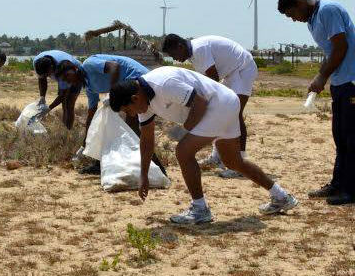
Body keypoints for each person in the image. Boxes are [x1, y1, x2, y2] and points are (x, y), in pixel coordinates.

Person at [109, 67, 297, 224]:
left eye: (128, 111)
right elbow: (147, 139)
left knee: (183, 151)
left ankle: (200, 210)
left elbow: (200, 102)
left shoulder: (163, 84)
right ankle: (281, 197)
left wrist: (187, 128)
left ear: (135, 98)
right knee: (233, 162)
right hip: (225, 104)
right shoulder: (144, 102)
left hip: (219, 104)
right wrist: (143, 175)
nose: (132, 115)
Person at [278, 0, 355, 205]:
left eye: (292, 14)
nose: (294, 19)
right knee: (340, 135)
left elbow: (342, 47)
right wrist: (323, 77)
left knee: (354, 136)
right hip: (340, 79)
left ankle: (351, 191)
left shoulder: (328, 10)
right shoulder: (312, 20)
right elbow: (330, 51)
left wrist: (322, 76)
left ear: (299, 2)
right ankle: (338, 184)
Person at [161, 33, 257, 179]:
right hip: (231, 74)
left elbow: (212, 79)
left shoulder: (199, 49)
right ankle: (217, 157)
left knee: (234, 115)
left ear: (180, 46)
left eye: (174, 54)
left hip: (242, 69)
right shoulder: (193, 54)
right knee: (219, 111)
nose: (174, 59)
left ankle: (240, 162)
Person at [65, 54, 165, 175]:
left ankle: (158, 168)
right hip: (124, 88)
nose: (68, 81)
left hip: (135, 79)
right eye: (64, 80)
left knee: (133, 128)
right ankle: (101, 164)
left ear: (75, 69)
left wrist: (112, 94)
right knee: (105, 123)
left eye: (67, 75)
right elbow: (91, 115)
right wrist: (83, 145)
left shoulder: (89, 64)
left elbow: (115, 67)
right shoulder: (90, 87)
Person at [32, 50, 83, 129]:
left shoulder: (65, 68)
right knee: (64, 106)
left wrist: (48, 109)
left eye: (48, 74)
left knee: (68, 105)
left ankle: (67, 132)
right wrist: (42, 97)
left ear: (52, 68)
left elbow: (63, 95)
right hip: (60, 73)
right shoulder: (37, 62)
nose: (48, 76)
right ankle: (64, 130)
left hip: (75, 74)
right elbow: (42, 79)